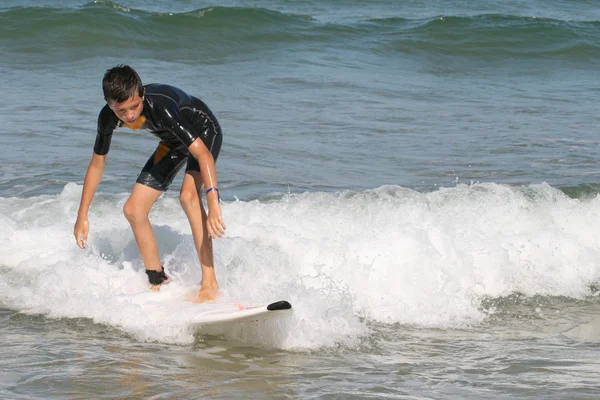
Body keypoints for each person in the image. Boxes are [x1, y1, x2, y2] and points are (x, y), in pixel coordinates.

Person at [73, 65, 226, 302]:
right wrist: (82, 214)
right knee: (133, 210)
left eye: (135, 106)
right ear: (109, 104)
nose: (130, 115)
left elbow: (204, 155)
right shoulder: (106, 119)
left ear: (142, 94)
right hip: (170, 143)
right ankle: (158, 279)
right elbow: (96, 165)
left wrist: (214, 202)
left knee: (188, 196)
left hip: (203, 133)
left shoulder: (162, 107)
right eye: (121, 111)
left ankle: (209, 283)